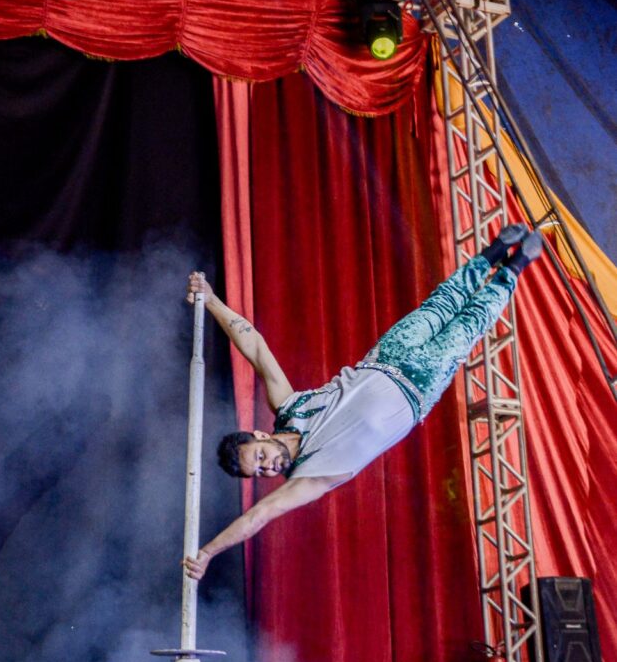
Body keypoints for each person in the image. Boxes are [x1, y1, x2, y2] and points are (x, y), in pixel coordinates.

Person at [183, 225, 542, 580]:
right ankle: (515, 266)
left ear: (261, 435)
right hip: (418, 386)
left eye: (260, 457)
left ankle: (494, 252)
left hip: (386, 356)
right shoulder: (307, 478)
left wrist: (212, 301)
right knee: (469, 323)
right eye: (261, 472)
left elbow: (255, 348)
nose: (269, 467)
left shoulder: (289, 407)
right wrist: (209, 552)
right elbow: (258, 516)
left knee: (443, 302)